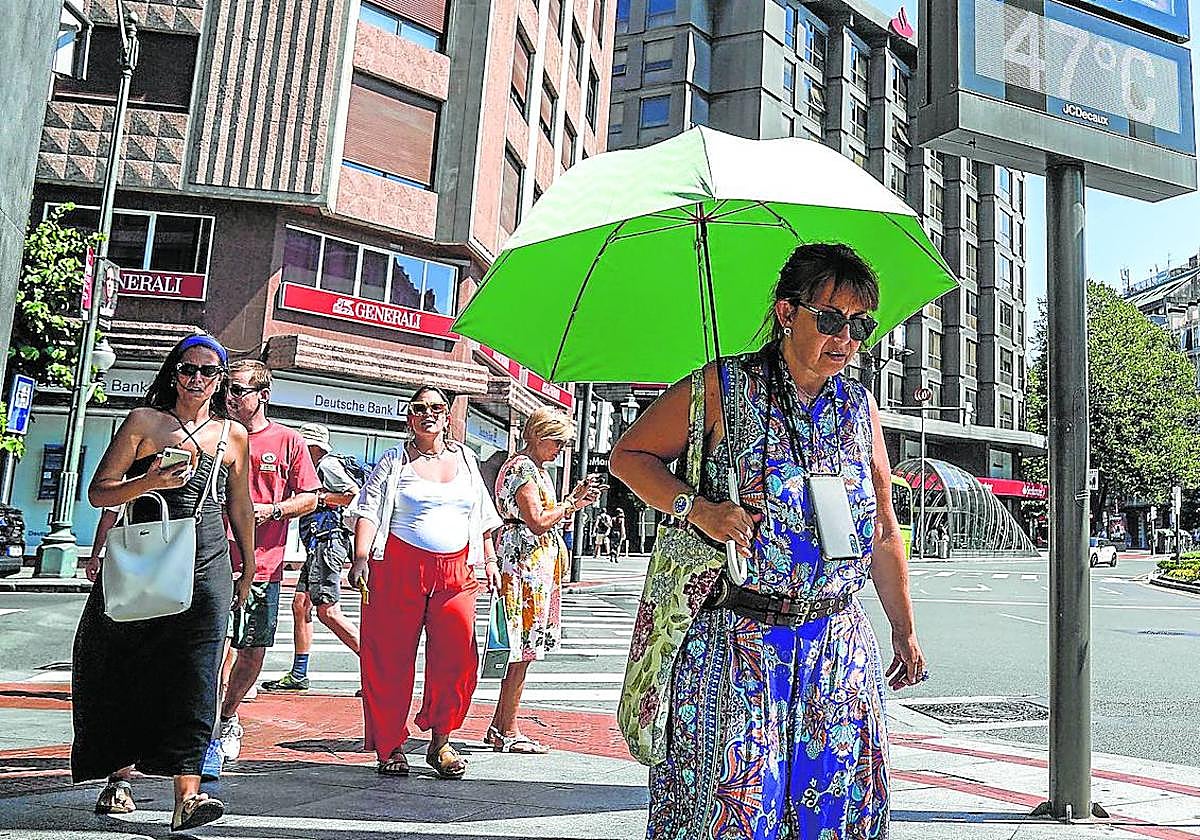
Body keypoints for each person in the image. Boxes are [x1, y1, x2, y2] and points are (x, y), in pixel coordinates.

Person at [610, 243, 927, 837]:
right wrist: (696, 507)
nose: (847, 339)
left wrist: (903, 630)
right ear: (787, 313)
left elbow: (883, 528)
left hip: (836, 645)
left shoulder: (859, 407)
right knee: (732, 813)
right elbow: (628, 455)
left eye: (861, 325)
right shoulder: (722, 386)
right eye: (831, 319)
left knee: (832, 814)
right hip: (735, 644)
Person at [73, 334, 254, 832]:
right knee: (128, 661)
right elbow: (99, 493)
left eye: (210, 372)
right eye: (189, 368)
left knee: (197, 674)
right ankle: (120, 777)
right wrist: (151, 481)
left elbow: (239, 505)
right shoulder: (143, 423)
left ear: (221, 381)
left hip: (208, 555)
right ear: (174, 373)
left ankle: (188, 797)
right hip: (147, 546)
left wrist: (249, 565)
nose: (198, 379)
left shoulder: (232, 434)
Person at [348, 385, 503, 779]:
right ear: (409, 417)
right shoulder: (393, 461)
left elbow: (482, 518)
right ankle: (390, 746)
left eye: (436, 408)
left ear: (448, 415)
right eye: (419, 408)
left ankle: (441, 741)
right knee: (388, 658)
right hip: (398, 567)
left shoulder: (467, 459)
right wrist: (361, 558)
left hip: (457, 571)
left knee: (457, 657)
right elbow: (368, 510)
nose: (427, 414)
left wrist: (489, 560)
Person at [218, 360, 319, 762]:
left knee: (252, 652)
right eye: (227, 388)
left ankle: (227, 716)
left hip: (262, 565)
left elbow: (310, 496)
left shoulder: (287, 441)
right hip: (211, 561)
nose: (230, 396)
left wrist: (273, 511)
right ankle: (204, 726)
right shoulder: (216, 434)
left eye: (239, 390)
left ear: (263, 395)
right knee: (215, 650)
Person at [488, 407, 599, 754]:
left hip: (532, 567)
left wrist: (571, 504)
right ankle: (507, 728)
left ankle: (501, 725)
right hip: (524, 569)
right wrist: (569, 505)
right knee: (520, 650)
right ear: (537, 435)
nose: (561, 449)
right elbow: (536, 519)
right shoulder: (522, 468)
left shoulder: (536, 470)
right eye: (558, 441)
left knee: (523, 651)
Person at [262, 423, 361, 692]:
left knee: (328, 611)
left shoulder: (326, 466)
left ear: (313, 447)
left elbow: (353, 495)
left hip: (328, 542)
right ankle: (298, 674)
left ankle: (379, 669)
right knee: (300, 604)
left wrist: (318, 499)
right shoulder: (313, 469)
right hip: (318, 544)